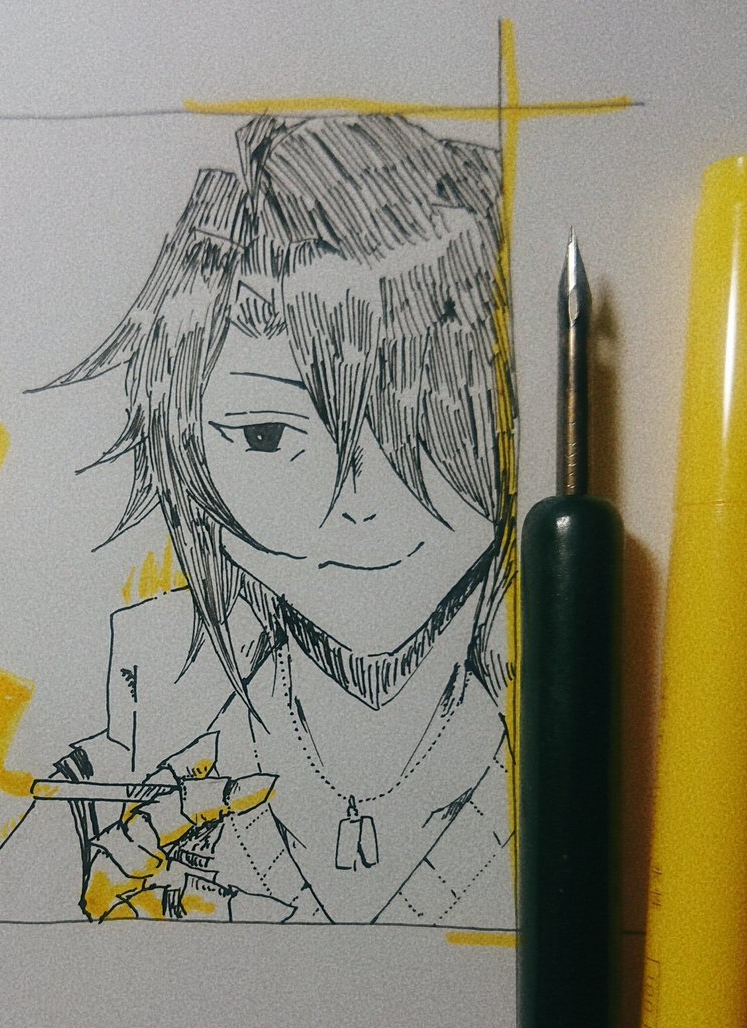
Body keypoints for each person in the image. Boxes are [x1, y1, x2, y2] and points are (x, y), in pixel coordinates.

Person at [29, 113, 516, 926]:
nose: (360, 497)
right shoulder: (100, 804)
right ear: (185, 445)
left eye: (430, 423)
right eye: (267, 433)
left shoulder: (586, 780)